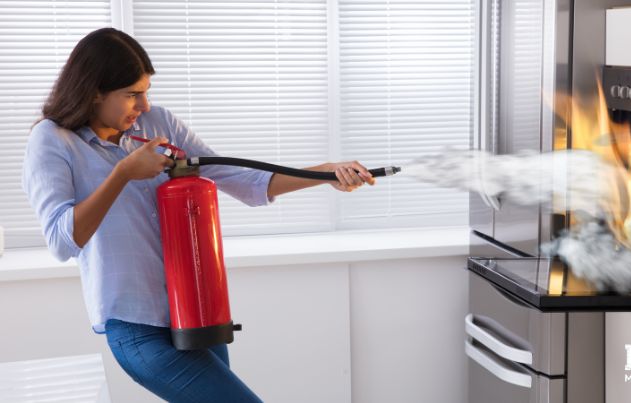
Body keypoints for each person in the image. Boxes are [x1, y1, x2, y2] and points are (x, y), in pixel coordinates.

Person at [22, 27, 375, 403]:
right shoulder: (52, 140)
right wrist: (123, 173)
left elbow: (240, 179)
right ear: (94, 91)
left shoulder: (158, 124)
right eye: (132, 95)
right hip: (136, 326)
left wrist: (323, 174)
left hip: (198, 313)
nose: (143, 105)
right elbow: (62, 241)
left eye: (146, 91)